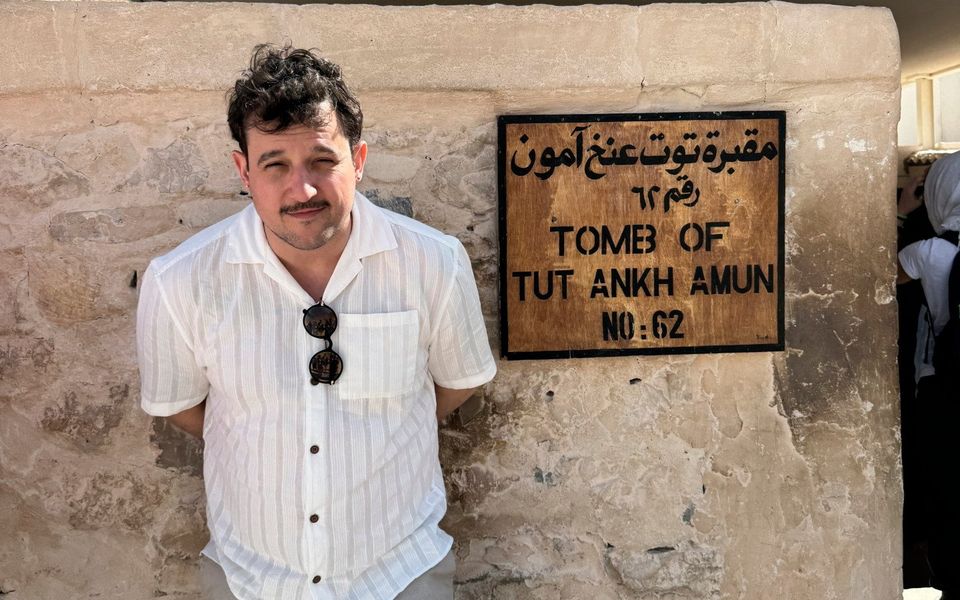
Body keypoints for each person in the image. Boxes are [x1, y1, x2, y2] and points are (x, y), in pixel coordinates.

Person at [136, 44, 497, 599]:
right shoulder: (180, 281)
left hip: (400, 576)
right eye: (275, 164)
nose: (301, 189)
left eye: (322, 162)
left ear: (358, 160)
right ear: (243, 170)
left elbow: (455, 382)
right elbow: (188, 407)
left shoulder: (433, 264)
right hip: (250, 581)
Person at [897, 150, 960, 600]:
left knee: (947, 498)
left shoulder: (932, 252)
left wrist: (902, 212)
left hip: (945, 392)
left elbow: (866, 281)